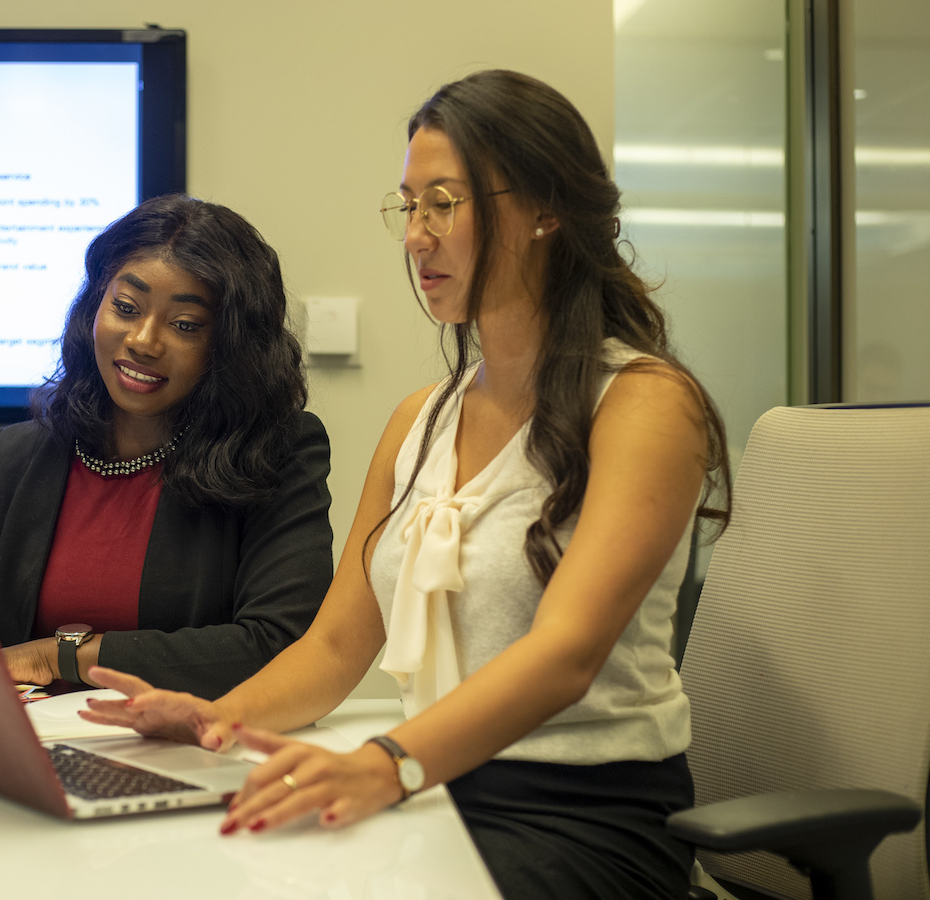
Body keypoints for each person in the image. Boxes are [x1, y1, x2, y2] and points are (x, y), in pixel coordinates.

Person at [79, 71, 732, 899]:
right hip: (435, 785)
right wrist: (217, 719)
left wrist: (386, 764)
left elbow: (566, 656)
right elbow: (335, 647)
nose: (416, 237)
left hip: (581, 815)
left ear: (545, 210)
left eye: (444, 204)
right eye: (408, 206)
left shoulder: (644, 405)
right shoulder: (420, 418)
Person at [0, 194, 333, 701]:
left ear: (229, 345)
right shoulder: (16, 457)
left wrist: (59, 656)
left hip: (194, 751)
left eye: (185, 325)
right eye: (125, 307)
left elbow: (278, 645)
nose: (143, 340)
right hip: (32, 753)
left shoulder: (278, 452)